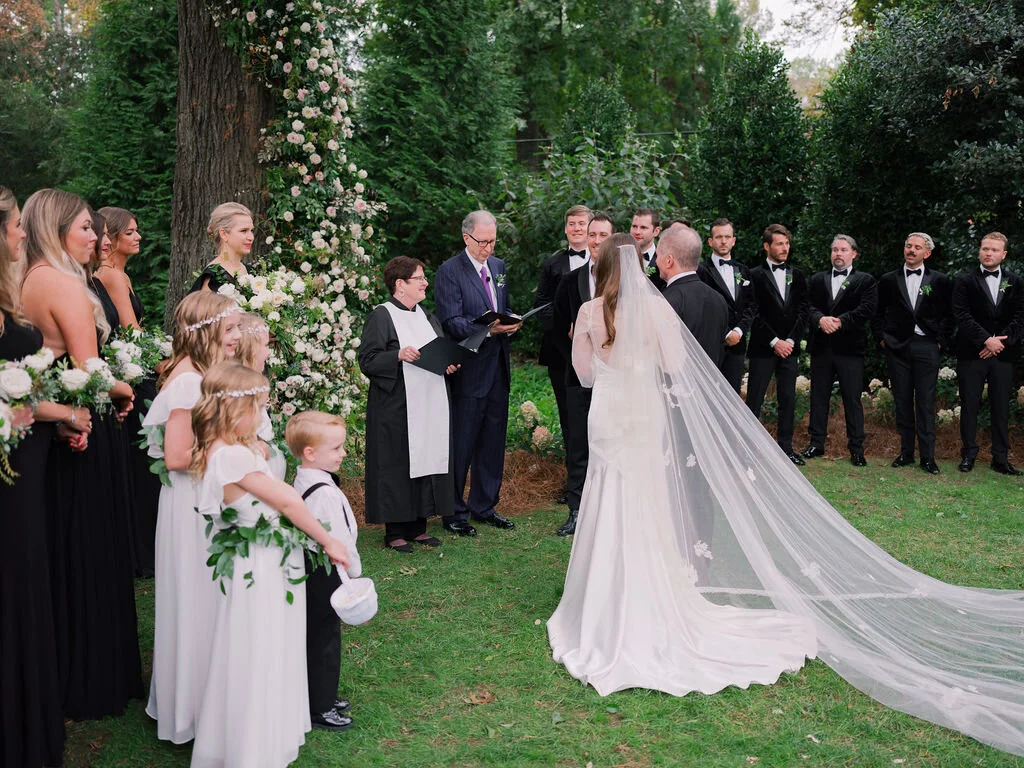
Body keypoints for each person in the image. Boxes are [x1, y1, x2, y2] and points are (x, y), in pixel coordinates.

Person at [547, 241, 1024, 760]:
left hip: (610, 416)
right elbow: (676, 362)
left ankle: (606, 595)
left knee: (610, 494)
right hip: (644, 417)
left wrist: (605, 355)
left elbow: (586, 375)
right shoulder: (658, 309)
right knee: (649, 500)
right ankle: (653, 591)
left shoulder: (589, 312)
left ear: (601, 269)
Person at [190, 362, 350, 768]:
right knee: (259, 643)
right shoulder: (231, 456)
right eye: (259, 407)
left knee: (272, 641)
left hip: (266, 556)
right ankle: (251, 745)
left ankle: (269, 729)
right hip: (258, 565)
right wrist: (328, 540)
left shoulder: (229, 449)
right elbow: (288, 501)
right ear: (236, 411)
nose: (264, 414)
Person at [20, 188, 142, 719]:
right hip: (83, 427)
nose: (96, 237)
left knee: (62, 548)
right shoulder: (64, 283)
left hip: (49, 428)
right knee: (91, 547)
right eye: (86, 228)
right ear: (56, 229)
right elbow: (90, 368)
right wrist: (125, 388)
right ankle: (96, 676)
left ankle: (64, 668)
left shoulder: (25, 279)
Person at [0, 186, 84, 767]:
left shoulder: (11, 297)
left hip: (26, 459)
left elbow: (21, 390)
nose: (22, 233)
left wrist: (54, 419)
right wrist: (62, 412)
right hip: (8, 471)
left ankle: (26, 722)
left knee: (26, 582)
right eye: (13, 226)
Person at [144, 292, 242, 744]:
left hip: (201, 496)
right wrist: (236, 450)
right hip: (190, 505)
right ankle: (191, 710)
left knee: (209, 600)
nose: (237, 337)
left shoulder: (200, 372)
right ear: (206, 333)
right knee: (197, 600)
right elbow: (177, 456)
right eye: (230, 329)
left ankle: (209, 701)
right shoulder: (187, 383)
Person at [359, 256, 456, 549]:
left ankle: (418, 526)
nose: (425, 283)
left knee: (427, 457)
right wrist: (398, 355)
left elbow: (438, 350)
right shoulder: (382, 316)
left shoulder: (426, 315)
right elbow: (368, 360)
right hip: (396, 404)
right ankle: (395, 532)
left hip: (429, 401)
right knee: (398, 463)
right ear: (400, 284)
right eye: (419, 278)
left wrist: (448, 363)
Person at [433, 211, 519, 536]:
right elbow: (451, 321)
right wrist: (488, 329)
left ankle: (484, 506)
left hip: (498, 368)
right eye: (482, 242)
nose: (488, 248)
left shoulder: (498, 267)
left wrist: (510, 322)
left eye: (493, 241)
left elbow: (501, 305)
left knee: (492, 442)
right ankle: (454, 511)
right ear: (466, 238)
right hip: (468, 370)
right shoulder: (449, 271)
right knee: (463, 442)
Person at [287, 411, 361, 733]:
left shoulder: (304, 478)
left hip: (310, 566)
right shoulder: (325, 493)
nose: (343, 453)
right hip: (326, 569)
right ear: (310, 453)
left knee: (316, 634)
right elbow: (339, 538)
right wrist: (353, 570)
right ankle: (321, 706)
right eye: (336, 448)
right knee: (325, 638)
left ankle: (319, 694)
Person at [550, 213, 615, 536]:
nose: (596, 240)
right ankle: (576, 511)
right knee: (578, 445)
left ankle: (611, 508)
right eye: (592, 234)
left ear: (612, 239)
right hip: (578, 379)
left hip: (616, 381)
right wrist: (580, 363)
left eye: (603, 235)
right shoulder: (570, 281)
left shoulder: (625, 282)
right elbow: (558, 328)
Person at [871, 232, 953, 474]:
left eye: (917, 247)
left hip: (927, 346)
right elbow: (877, 313)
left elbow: (949, 315)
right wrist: (882, 339)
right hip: (897, 346)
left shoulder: (939, 280)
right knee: (902, 401)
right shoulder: (889, 279)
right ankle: (906, 453)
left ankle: (928, 458)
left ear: (927, 253)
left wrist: (940, 341)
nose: (911, 250)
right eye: (908, 245)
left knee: (925, 403)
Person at [801, 235, 877, 466]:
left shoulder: (865, 280)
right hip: (822, 347)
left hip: (850, 349)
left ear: (854, 253)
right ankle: (816, 443)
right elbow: (807, 306)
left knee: (852, 399)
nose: (838, 254)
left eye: (843, 249)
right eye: (835, 249)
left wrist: (841, 321)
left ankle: (856, 448)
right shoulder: (817, 279)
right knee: (819, 396)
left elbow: (866, 309)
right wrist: (820, 319)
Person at [951, 232, 1024, 475]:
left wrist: (1000, 342)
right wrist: (985, 340)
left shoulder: (1016, 281)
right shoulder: (964, 281)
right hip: (972, 354)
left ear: (1004, 254)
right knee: (969, 406)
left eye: (994, 250)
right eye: (985, 249)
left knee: (1001, 408)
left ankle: (1000, 458)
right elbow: (961, 314)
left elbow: (1020, 315)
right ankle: (968, 455)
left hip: (1003, 354)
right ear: (979, 251)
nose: (989, 253)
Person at [533, 204, 591, 495]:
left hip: (598, 352)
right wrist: (562, 325)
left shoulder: (604, 262)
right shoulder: (552, 264)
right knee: (569, 416)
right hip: (561, 353)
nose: (577, 228)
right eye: (572, 224)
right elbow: (541, 304)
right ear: (565, 229)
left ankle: (598, 481)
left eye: (582, 224)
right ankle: (574, 484)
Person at [745, 224, 809, 465]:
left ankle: (786, 449)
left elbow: (803, 310)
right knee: (755, 399)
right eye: (780, 244)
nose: (785, 248)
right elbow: (754, 312)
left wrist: (790, 340)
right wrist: (774, 341)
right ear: (767, 246)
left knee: (788, 399)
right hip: (763, 348)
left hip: (789, 349)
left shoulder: (797, 275)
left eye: (787, 243)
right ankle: (748, 450)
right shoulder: (753, 275)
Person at [656, 223, 730, 366]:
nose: (656, 261)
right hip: (710, 379)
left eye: (658, 255)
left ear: (669, 261)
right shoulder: (719, 299)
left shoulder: (666, 301)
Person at [697, 218, 756, 392]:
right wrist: (726, 332)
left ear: (733, 240)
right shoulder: (700, 271)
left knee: (732, 393)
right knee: (707, 392)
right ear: (710, 241)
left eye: (727, 237)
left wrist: (739, 331)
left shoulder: (743, 270)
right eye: (719, 237)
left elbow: (751, 305)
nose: (723, 241)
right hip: (712, 344)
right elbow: (702, 308)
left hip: (737, 345)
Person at [236, 312, 286, 479]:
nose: (268, 353)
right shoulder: (240, 389)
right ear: (249, 349)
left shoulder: (254, 382)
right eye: (265, 346)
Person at [189, 202, 254, 294]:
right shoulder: (213, 278)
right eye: (244, 231)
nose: (251, 237)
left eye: (251, 230)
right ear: (224, 234)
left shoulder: (251, 271)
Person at [94, 206, 144, 328]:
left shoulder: (118, 273)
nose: (138, 237)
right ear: (110, 237)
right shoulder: (113, 275)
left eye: (136, 231)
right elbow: (130, 330)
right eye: (129, 233)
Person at [631, 207, 665, 290]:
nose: (637, 232)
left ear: (656, 231)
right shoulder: (620, 256)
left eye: (643, 227)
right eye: (634, 226)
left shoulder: (664, 261)